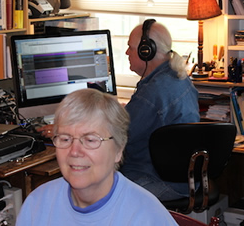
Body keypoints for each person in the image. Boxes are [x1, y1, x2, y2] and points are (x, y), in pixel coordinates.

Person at [16, 88, 178, 226]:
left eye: (90, 140)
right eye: (65, 139)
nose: (75, 151)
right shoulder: (37, 205)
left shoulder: (147, 217)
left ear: (118, 149)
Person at [119, 19, 200, 201]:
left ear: (146, 51)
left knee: (93, 189)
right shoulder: (179, 77)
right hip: (185, 180)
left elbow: (118, 134)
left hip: (156, 180)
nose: (126, 52)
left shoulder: (152, 93)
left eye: (130, 47)